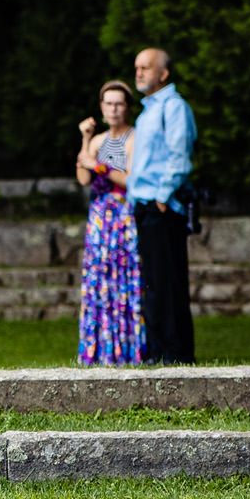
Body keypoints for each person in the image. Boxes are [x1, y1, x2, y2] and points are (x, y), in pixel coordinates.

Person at [127, 47, 198, 364]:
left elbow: (178, 156)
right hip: (144, 206)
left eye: (146, 67)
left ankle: (176, 353)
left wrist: (161, 197)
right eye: (137, 67)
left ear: (163, 73)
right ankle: (158, 352)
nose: (139, 72)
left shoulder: (174, 107)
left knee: (167, 282)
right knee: (154, 283)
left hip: (162, 207)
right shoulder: (147, 112)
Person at [74, 80, 143, 365]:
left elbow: (130, 179)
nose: (113, 109)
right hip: (100, 219)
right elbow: (83, 177)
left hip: (123, 215)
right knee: (100, 280)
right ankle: (101, 349)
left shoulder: (134, 138)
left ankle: (128, 348)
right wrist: (85, 139)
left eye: (119, 103)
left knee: (124, 277)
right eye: (108, 103)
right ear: (101, 108)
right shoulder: (99, 140)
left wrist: (99, 165)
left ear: (127, 108)